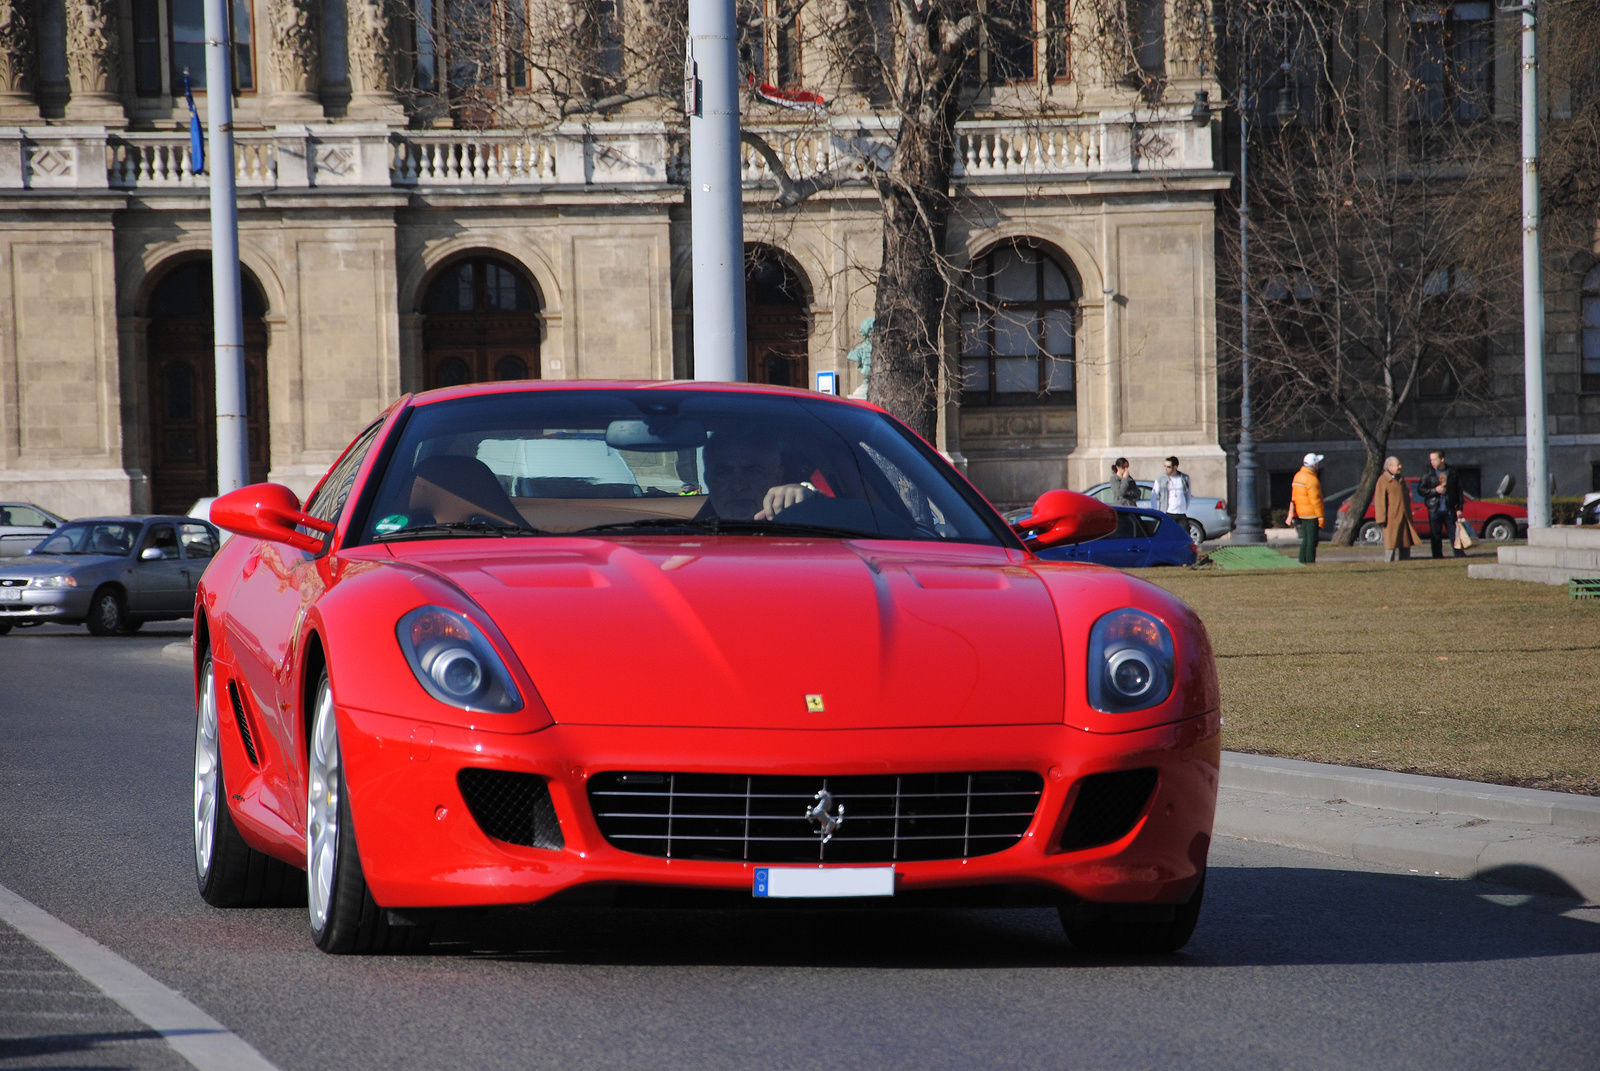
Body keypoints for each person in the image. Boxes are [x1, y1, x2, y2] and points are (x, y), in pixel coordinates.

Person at [701, 430, 815, 521]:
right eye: (723, 474)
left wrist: (811, 502)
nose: (738, 486)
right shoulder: (687, 537)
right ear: (708, 481)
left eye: (752, 472)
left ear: (778, 477)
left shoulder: (808, 531)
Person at [1419, 449, 1465, 559]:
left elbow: (1458, 491)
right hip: (1435, 508)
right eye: (1431, 460)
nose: (1433, 462)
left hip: (1449, 509)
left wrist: (1459, 507)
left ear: (1442, 459)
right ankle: (1437, 556)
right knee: (1435, 534)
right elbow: (1421, 490)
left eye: (1435, 459)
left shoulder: (1452, 473)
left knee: (1454, 533)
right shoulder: (1428, 474)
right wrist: (1435, 490)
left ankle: (1458, 554)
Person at [1373, 456, 1418, 562]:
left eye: (1400, 464)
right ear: (1389, 466)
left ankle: (1404, 563)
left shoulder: (1401, 479)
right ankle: (1389, 564)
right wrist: (1381, 519)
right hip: (1391, 519)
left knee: (1405, 543)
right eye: (1397, 465)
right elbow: (1379, 501)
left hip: (1404, 518)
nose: (1400, 467)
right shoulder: (1383, 480)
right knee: (1391, 544)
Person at [1285, 452, 1324, 564]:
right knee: (1312, 540)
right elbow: (1315, 500)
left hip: (1302, 512)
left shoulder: (1298, 476)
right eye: (1317, 463)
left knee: (1305, 539)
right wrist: (1321, 517)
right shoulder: (1311, 479)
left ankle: (1302, 561)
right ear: (1314, 465)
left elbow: (1294, 497)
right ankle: (1310, 561)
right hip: (1311, 513)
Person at [1152, 456, 1191, 531]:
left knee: (1185, 536)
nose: (1166, 469)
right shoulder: (1161, 479)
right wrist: (1156, 511)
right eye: (1165, 466)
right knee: (1167, 536)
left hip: (1181, 513)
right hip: (1168, 513)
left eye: (1169, 467)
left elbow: (1188, 494)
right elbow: (1153, 496)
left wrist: (1185, 508)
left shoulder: (1184, 478)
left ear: (1175, 467)